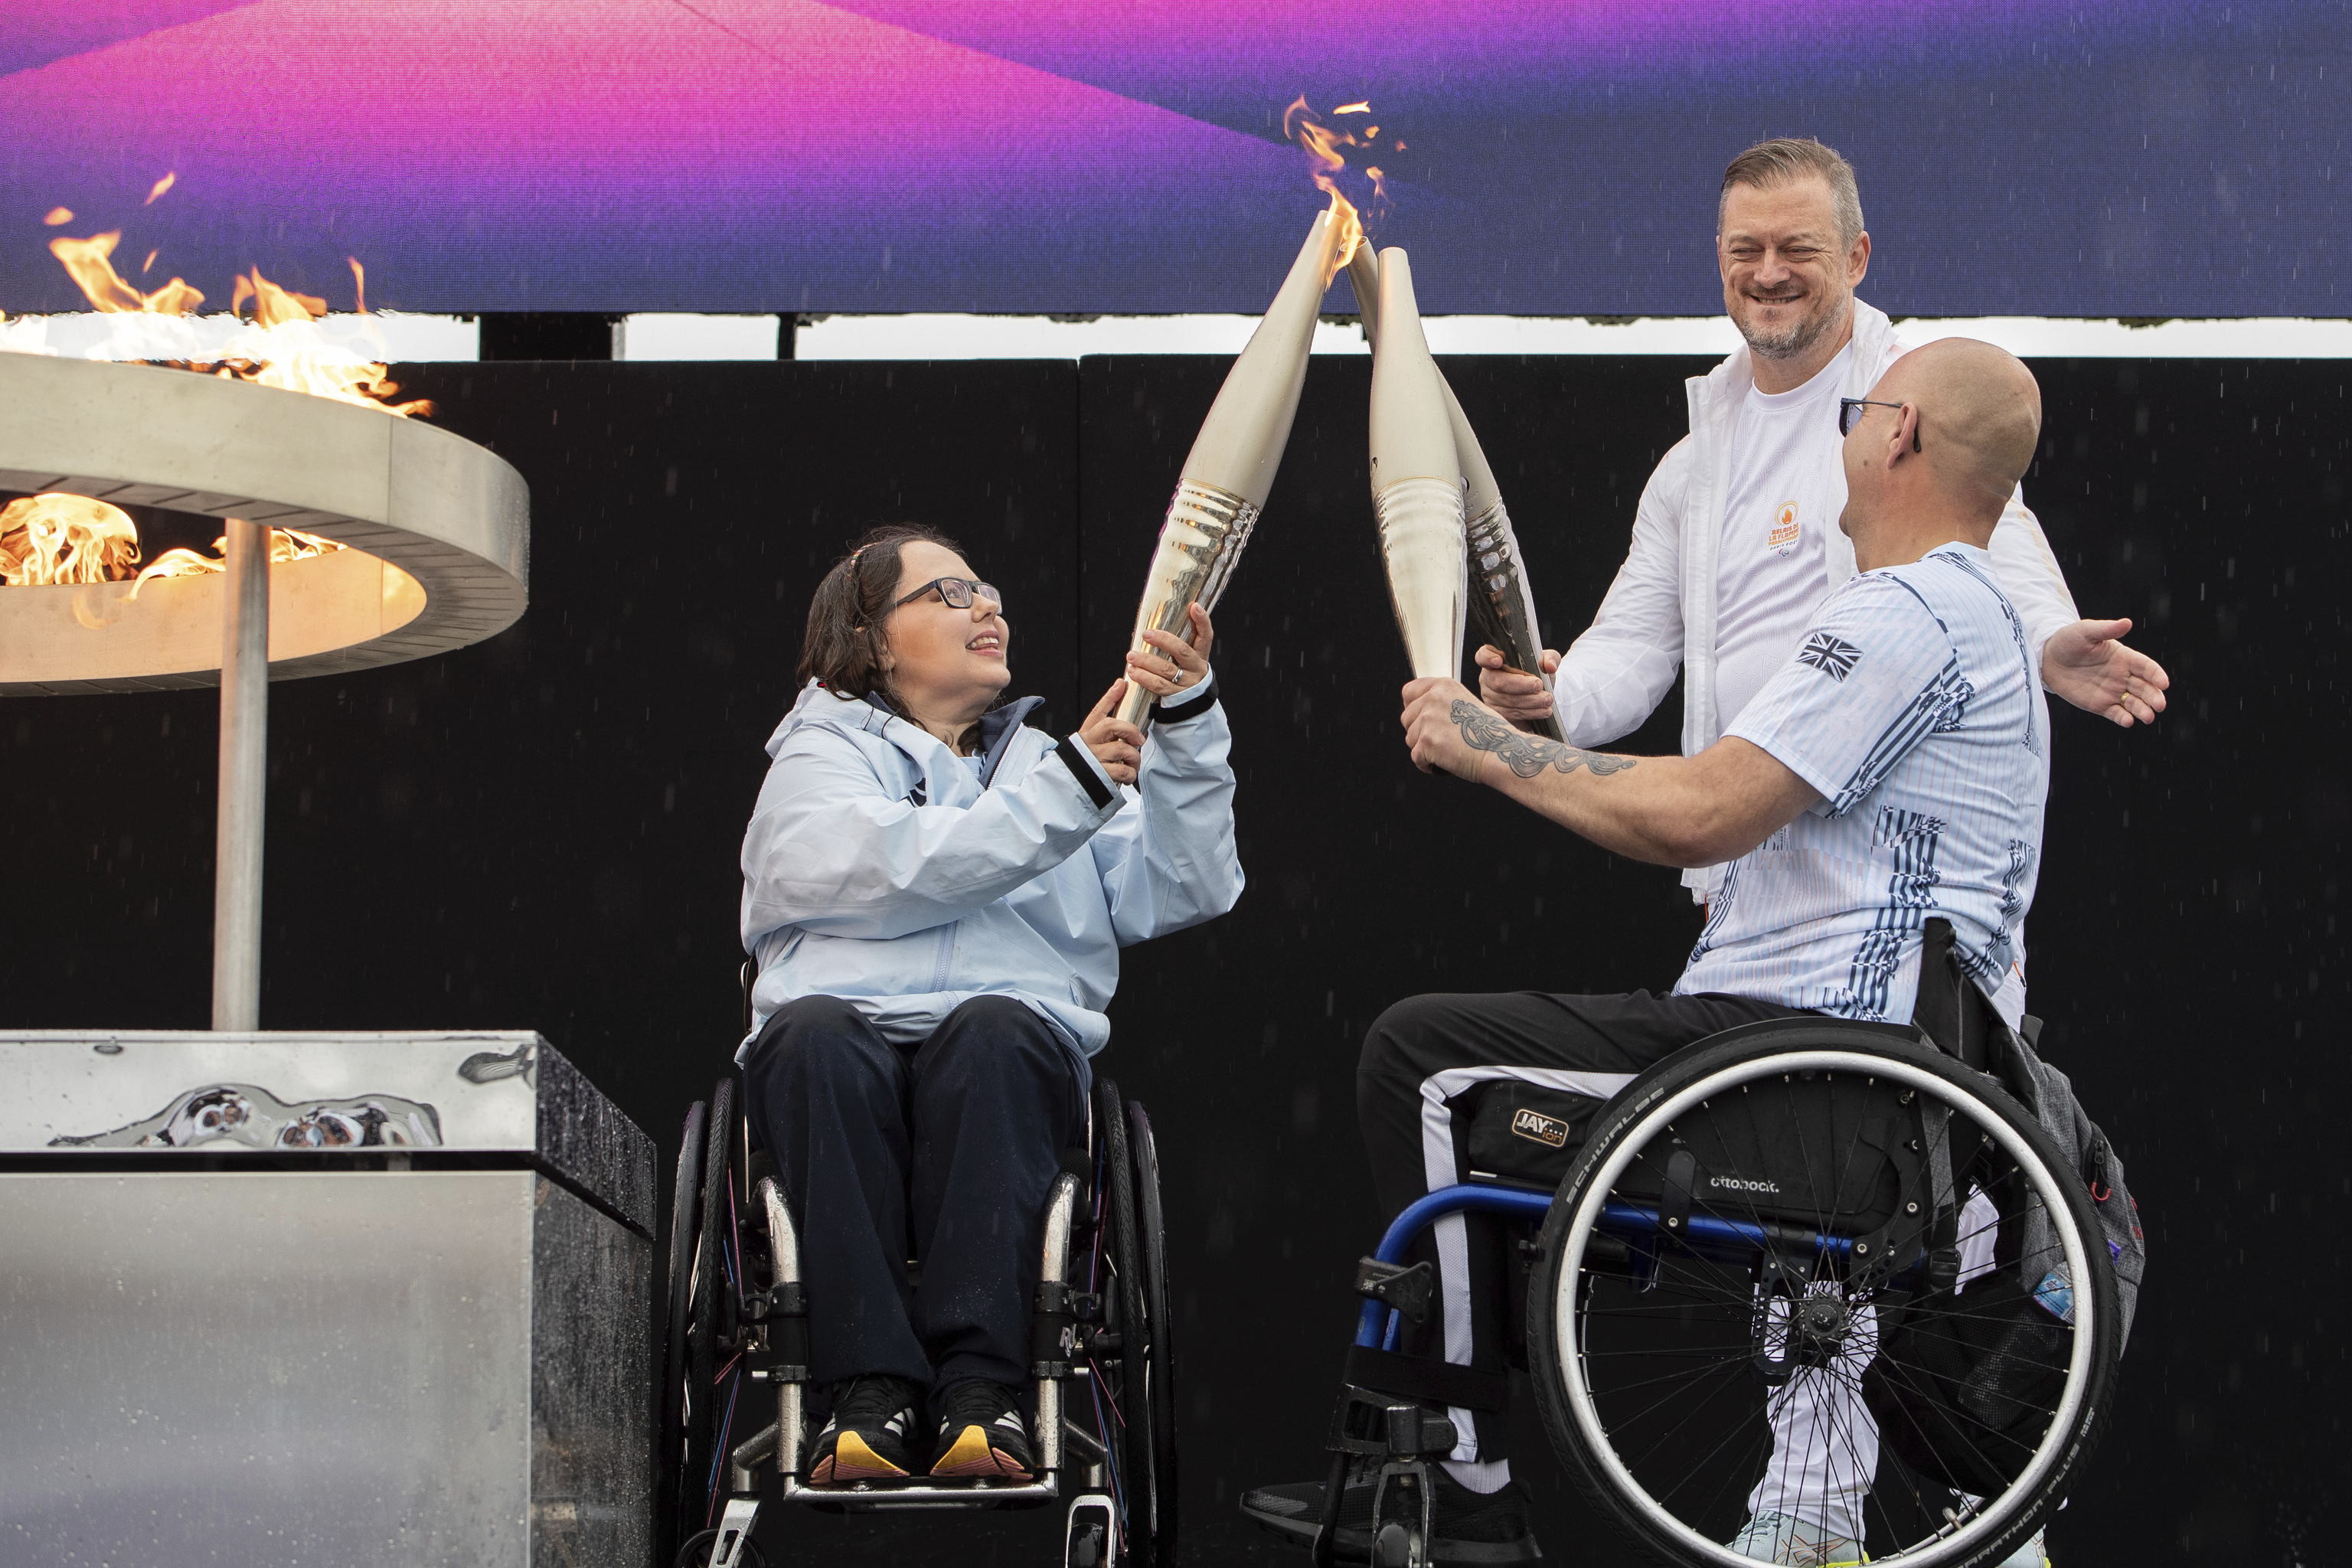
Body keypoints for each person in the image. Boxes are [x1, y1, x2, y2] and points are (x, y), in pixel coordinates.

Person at [1244, 340, 2063, 1566]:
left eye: (1854, 414)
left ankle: (1465, 1487)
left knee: (1423, 1064)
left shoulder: (1911, 611)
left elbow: (1702, 810)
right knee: (1494, 1123)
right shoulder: (1964, 613)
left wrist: (1484, 752)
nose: (1839, 433)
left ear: (1895, 434)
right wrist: (1552, 714)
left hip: (1812, 1075)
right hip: (1875, 1083)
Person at [1478, 136, 2166, 1011]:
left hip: (1891, 893)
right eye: (1746, 250)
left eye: (1797, 248)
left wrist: (2047, 637)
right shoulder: (1691, 466)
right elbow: (1632, 647)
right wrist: (1554, 696)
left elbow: (1993, 523)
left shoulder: (1909, 403)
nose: (1769, 273)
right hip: (1749, 888)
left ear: (1856, 256)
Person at [737, 523, 1242, 1485]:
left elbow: (1186, 885)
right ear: (875, 637)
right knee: (814, 1038)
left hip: (1008, 1050)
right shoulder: (816, 755)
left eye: (990, 591)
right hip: (838, 1042)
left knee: (999, 1029)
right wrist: (1073, 790)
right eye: (951, 594)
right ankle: (867, 1392)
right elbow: (889, 867)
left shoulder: (1049, 763)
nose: (989, 607)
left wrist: (1184, 724)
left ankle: (983, 1391)